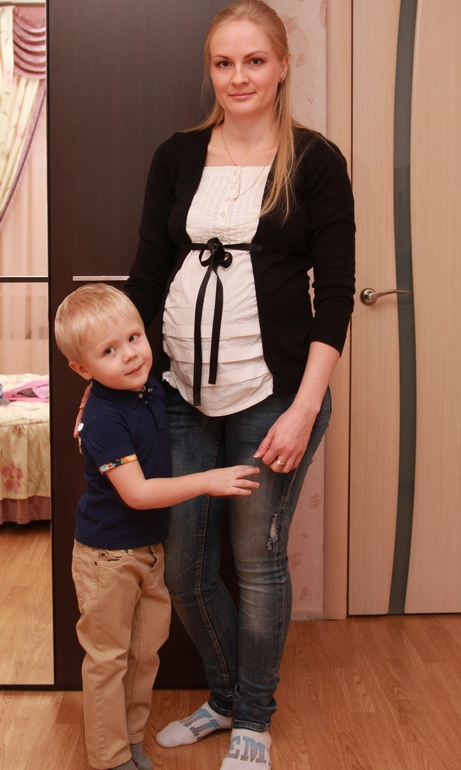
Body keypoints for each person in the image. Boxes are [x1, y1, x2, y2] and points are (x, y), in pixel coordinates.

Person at [125, 1, 355, 767]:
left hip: (274, 397)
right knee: (186, 570)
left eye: (254, 60)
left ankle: (253, 716)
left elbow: (335, 294)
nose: (238, 77)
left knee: (256, 561)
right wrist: (111, 374)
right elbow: (146, 275)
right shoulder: (177, 156)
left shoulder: (314, 161)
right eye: (223, 63)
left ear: (282, 65)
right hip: (181, 392)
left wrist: (304, 408)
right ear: (210, 70)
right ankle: (224, 696)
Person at [55, 283, 260, 770]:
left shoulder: (148, 388)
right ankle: (109, 759)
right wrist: (208, 480)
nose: (129, 354)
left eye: (133, 338)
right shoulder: (103, 419)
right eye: (108, 351)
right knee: (108, 659)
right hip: (107, 559)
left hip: (148, 550)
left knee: (144, 655)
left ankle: (128, 742)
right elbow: (138, 493)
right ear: (82, 370)